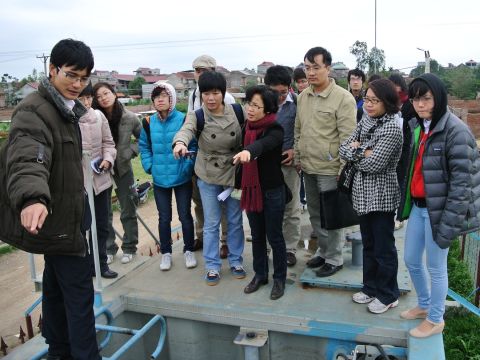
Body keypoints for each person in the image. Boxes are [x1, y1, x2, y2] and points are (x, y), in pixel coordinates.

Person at [0, 39, 101, 359]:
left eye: (84, 78)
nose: (77, 84)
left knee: (56, 288)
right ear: (52, 69)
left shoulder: (65, 109)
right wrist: (32, 198)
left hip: (66, 218)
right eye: (71, 75)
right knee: (79, 293)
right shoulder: (34, 111)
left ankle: (58, 350)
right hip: (56, 221)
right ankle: (85, 355)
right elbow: (30, 157)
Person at [397, 73, 480, 337]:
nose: (420, 104)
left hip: (441, 212)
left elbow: (462, 185)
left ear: (438, 98)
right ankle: (424, 304)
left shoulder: (456, 131)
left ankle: (436, 319)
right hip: (420, 208)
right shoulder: (422, 126)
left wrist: (449, 224)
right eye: (415, 99)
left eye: (426, 98)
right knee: (411, 259)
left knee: (436, 267)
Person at [173, 71, 245, 286]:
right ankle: (212, 266)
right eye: (206, 93)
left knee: (234, 220)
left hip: (233, 172)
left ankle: (236, 260)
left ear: (223, 93)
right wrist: (180, 143)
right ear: (200, 95)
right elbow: (185, 130)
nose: (211, 98)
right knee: (211, 222)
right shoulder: (198, 115)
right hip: (207, 173)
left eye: (215, 93)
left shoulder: (238, 112)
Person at [339, 79, 403, 314]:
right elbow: (343, 148)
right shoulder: (365, 120)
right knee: (368, 244)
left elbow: (374, 164)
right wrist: (361, 150)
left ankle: (388, 294)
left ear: (387, 102)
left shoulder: (392, 128)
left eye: (375, 100)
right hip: (362, 194)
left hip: (382, 195)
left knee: (383, 247)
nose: (369, 104)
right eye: (367, 99)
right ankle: (370, 288)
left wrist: (358, 150)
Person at [294, 46, 357, 277]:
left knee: (333, 215)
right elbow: (298, 129)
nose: (311, 72)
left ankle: (335, 257)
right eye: (307, 67)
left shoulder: (343, 99)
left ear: (328, 68)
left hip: (331, 168)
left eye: (316, 67)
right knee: (315, 214)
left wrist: (343, 168)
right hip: (308, 166)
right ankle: (322, 250)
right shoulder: (303, 97)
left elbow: (349, 138)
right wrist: (298, 156)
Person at [233, 85, 287, 300]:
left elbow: (264, 145)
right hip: (251, 190)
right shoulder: (247, 127)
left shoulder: (275, 129)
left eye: (256, 105)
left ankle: (280, 278)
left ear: (267, 109)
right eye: (249, 104)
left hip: (272, 192)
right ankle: (260, 275)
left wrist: (248, 151)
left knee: (274, 237)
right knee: (256, 236)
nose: (251, 109)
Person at [139, 82, 197, 271]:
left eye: (164, 95)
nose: (160, 99)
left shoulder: (183, 119)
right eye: (156, 97)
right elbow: (144, 147)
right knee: (164, 218)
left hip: (181, 177)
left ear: (171, 98)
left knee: (185, 215)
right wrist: (149, 166)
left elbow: (193, 146)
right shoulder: (148, 123)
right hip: (159, 178)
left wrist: (187, 166)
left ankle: (189, 249)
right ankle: (166, 253)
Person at [188, 54, 235, 258]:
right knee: (200, 201)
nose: (200, 74)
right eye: (197, 71)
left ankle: (225, 241)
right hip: (201, 156)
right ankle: (202, 236)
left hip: (225, 161)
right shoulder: (193, 96)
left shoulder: (229, 100)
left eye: (204, 71)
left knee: (225, 204)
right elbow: (190, 124)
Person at [92, 82, 141, 265]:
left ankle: (129, 247)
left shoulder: (129, 117)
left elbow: (142, 138)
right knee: (104, 212)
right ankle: (109, 248)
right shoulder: (94, 118)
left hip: (123, 167)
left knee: (128, 207)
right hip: (102, 168)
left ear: (114, 94)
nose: (103, 98)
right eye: (99, 96)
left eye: (106, 93)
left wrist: (130, 152)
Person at [78, 82, 118, 279]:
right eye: (81, 98)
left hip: (100, 179)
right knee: (82, 227)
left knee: (102, 224)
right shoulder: (68, 119)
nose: (86, 102)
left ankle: (101, 264)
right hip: (78, 184)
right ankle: (85, 266)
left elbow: (108, 144)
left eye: (88, 97)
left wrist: (107, 160)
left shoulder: (99, 116)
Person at [264, 65, 301, 266]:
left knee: (291, 207)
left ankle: (290, 249)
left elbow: (303, 131)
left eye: (283, 92)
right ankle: (268, 246)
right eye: (274, 92)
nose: (279, 97)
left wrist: (295, 150)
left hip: (288, 164)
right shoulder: (259, 103)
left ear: (289, 87)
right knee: (268, 207)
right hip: (265, 165)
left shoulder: (297, 104)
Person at [388, 73, 417, 231]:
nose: (393, 88)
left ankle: (399, 217)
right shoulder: (389, 102)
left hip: (406, 148)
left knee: (401, 182)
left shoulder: (409, 105)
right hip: (392, 148)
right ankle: (392, 214)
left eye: (395, 85)